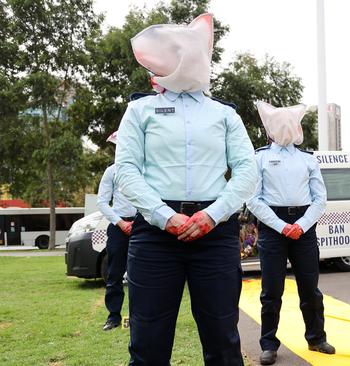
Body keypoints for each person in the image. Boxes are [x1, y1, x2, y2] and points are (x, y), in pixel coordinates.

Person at [114, 13, 257, 365]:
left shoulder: (224, 115)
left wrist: (212, 215)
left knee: (223, 337)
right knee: (148, 339)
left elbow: (247, 171)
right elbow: (126, 171)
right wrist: (165, 217)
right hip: (155, 235)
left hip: (216, 232)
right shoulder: (139, 110)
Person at [247, 101, 334, 365]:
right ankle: (269, 344)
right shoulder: (259, 157)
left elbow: (320, 198)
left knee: (310, 288)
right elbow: (253, 200)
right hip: (274, 228)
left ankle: (316, 338)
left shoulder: (308, 159)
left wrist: (302, 224)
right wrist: (282, 226)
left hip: (304, 227)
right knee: (271, 289)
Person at [97, 131, 137, 331]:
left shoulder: (144, 170)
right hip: (118, 227)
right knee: (114, 273)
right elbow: (102, 202)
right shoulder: (111, 172)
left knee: (143, 274)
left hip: (142, 225)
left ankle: (139, 317)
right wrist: (120, 223)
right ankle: (113, 316)